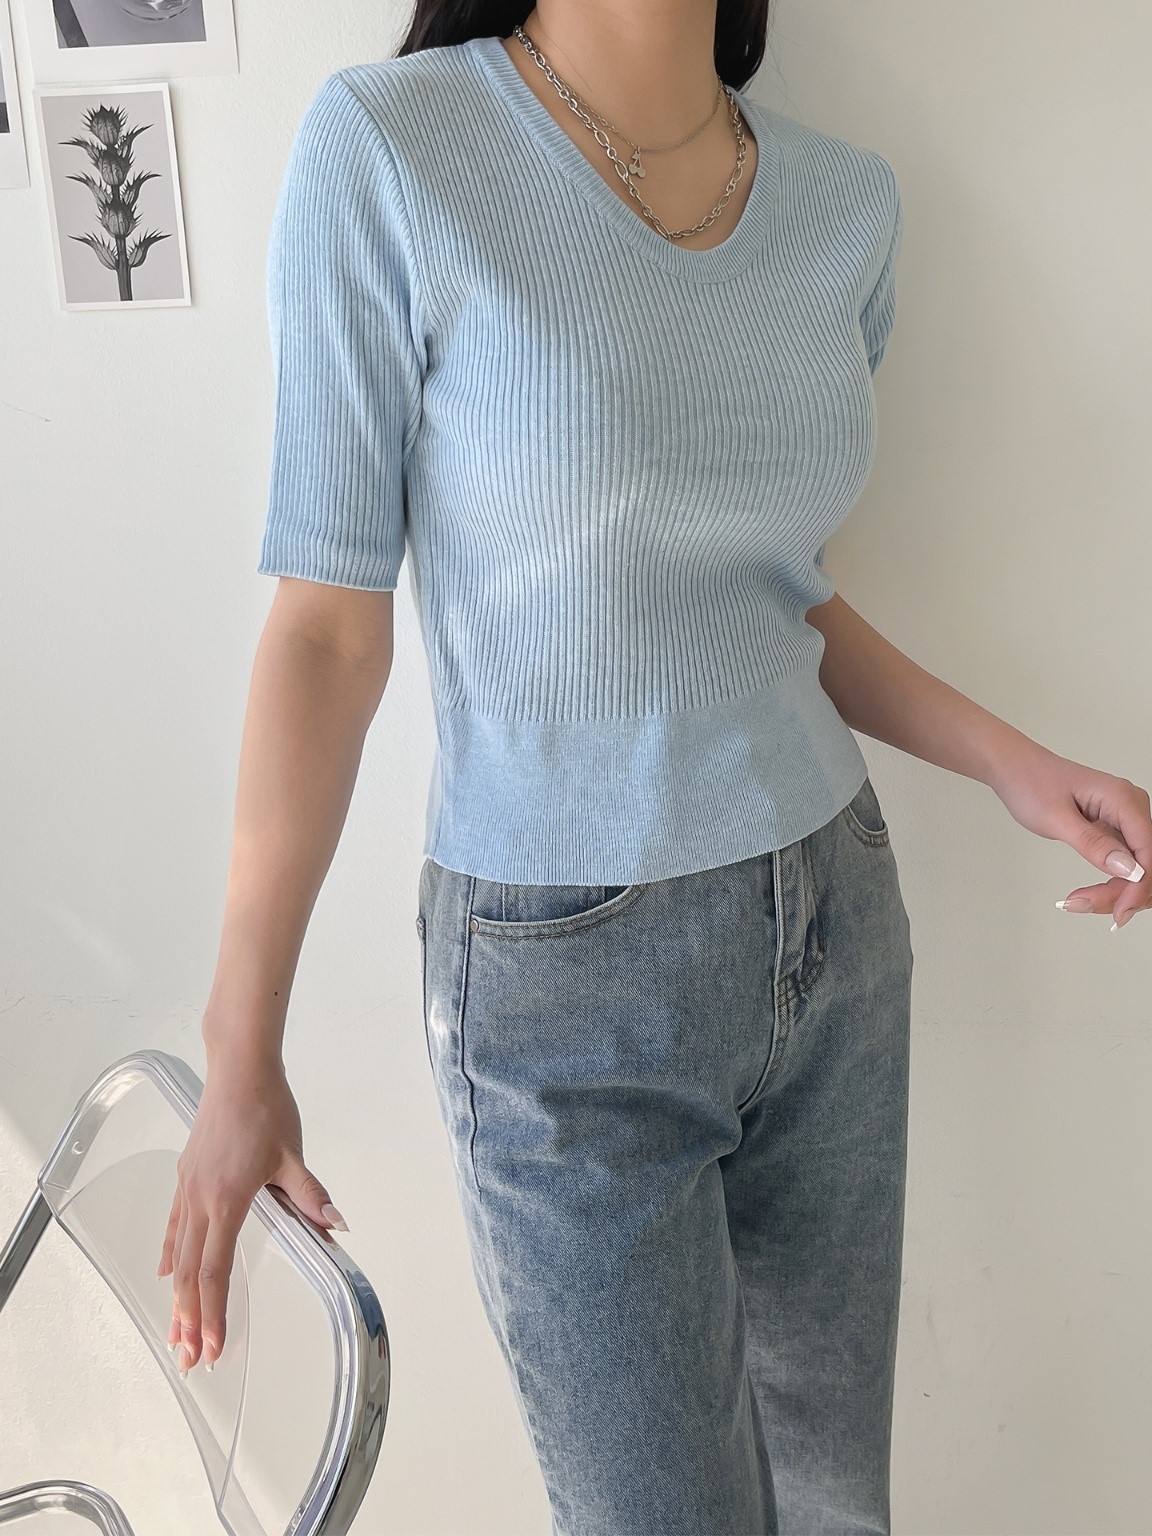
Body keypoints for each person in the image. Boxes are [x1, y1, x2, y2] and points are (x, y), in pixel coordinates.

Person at [157, 3, 1152, 1531]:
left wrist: (1008, 761)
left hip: (835, 920)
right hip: (564, 986)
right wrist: (243, 1044)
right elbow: (326, 635)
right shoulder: (392, 150)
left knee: (835, 1510)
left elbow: (764, 598)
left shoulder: (845, 203)